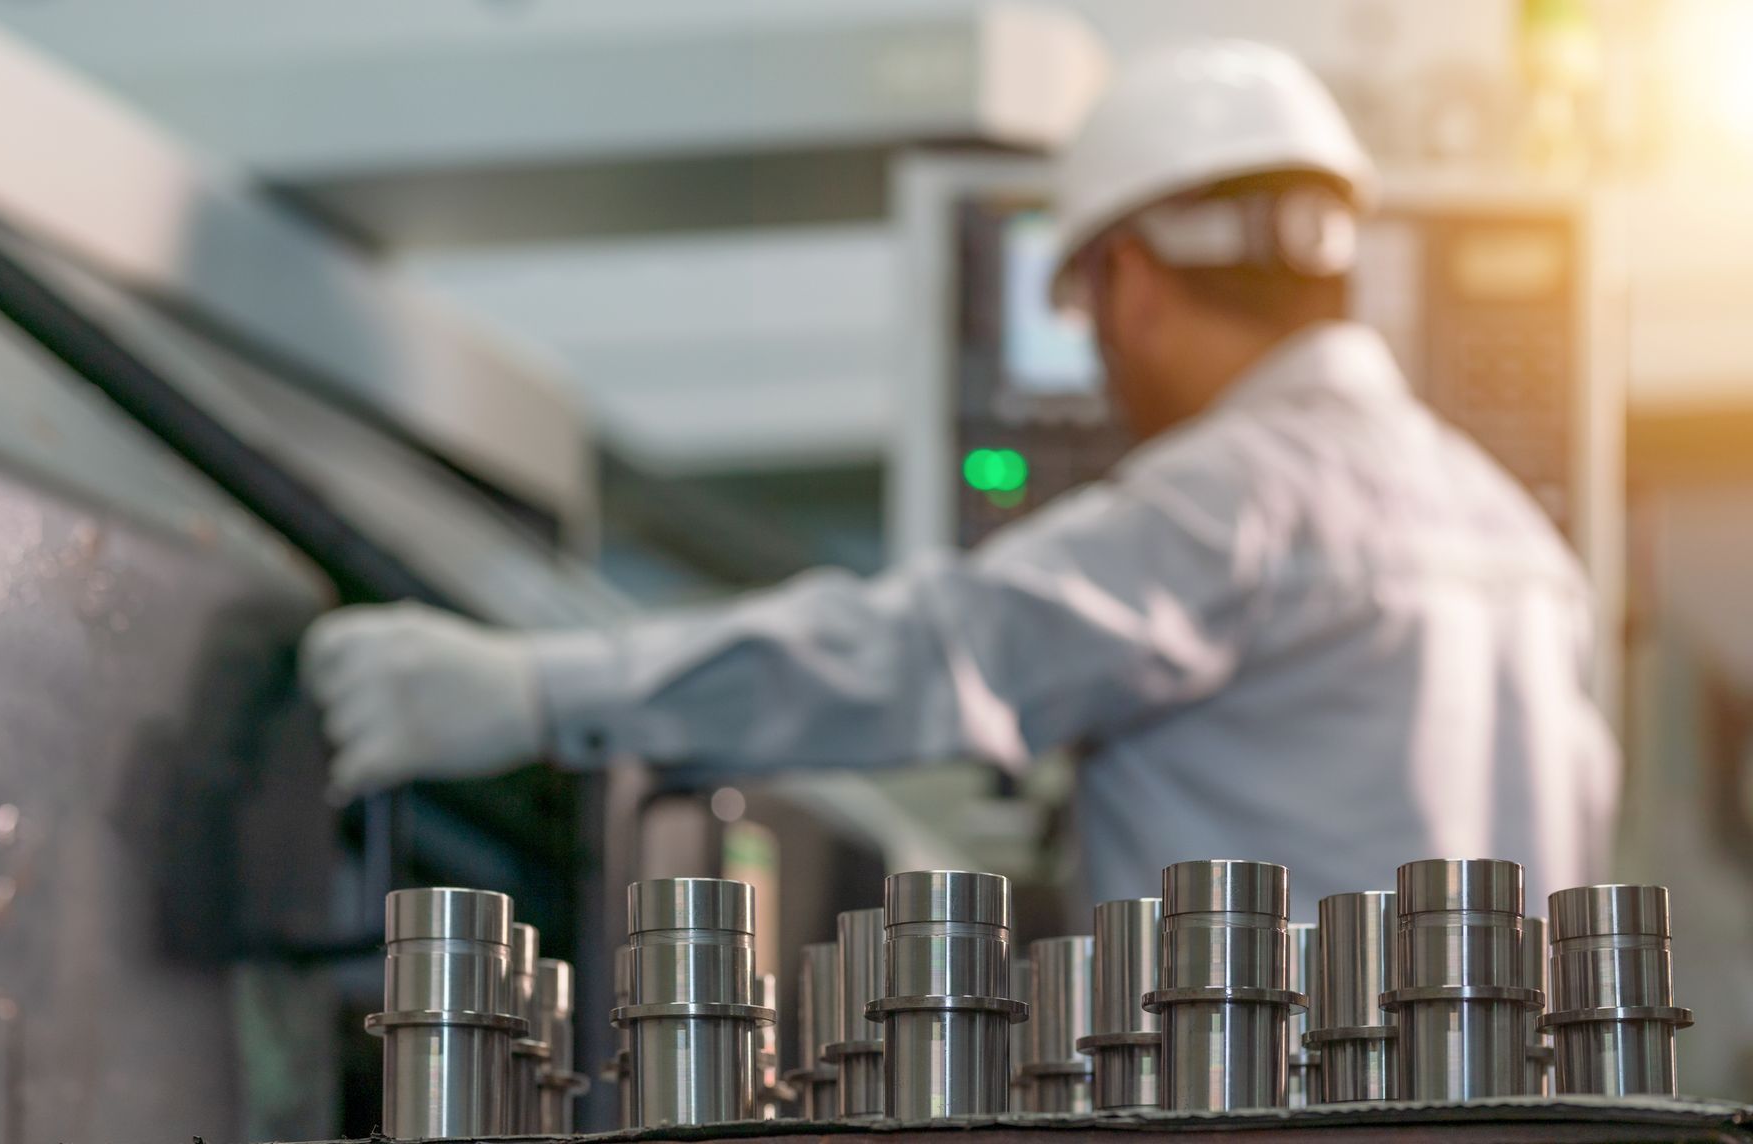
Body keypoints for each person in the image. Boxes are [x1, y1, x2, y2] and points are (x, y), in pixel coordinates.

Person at [300, 40, 1617, 910]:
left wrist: (536, 689)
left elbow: (936, 653)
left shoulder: (1246, 498)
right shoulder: (1525, 549)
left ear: (1131, 284)